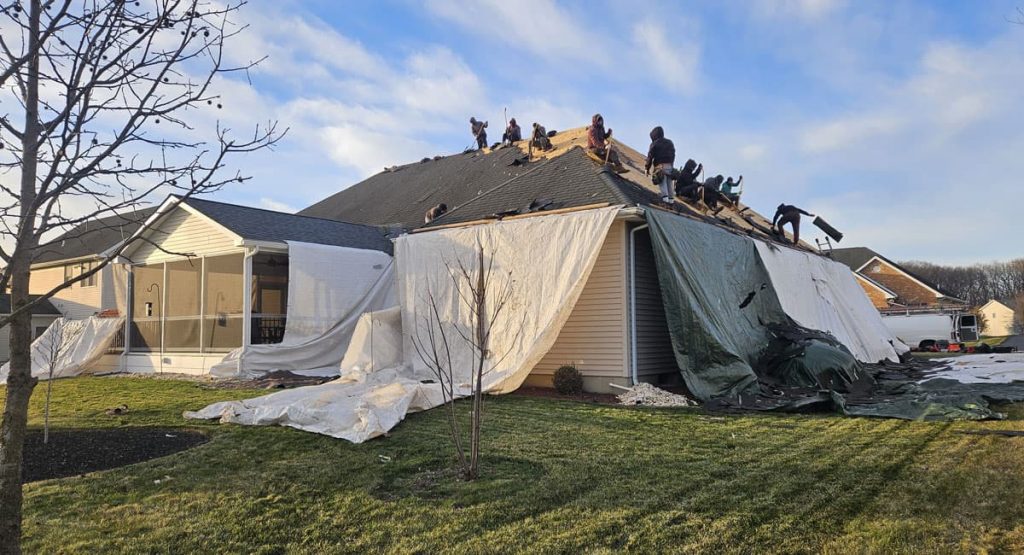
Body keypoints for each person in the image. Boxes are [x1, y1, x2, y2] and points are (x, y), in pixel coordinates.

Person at [645, 126, 676, 203]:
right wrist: (671, 165)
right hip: (670, 166)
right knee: (669, 184)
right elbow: (673, 155)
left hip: (660, 166)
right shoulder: (670, 142)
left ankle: (664, 201)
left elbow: (650, 156)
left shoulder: (654, 143)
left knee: (662, 182)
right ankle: (671, 202)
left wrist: (647, 168)